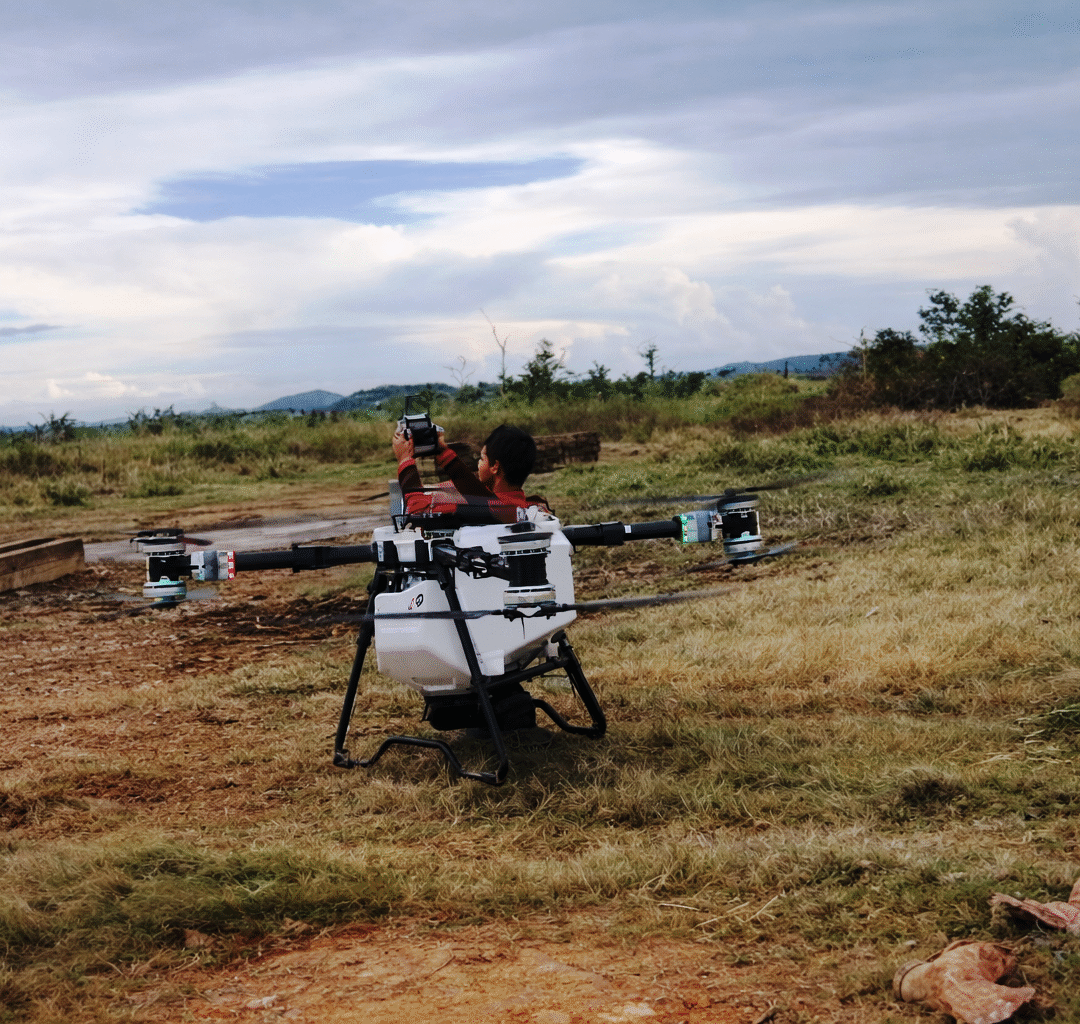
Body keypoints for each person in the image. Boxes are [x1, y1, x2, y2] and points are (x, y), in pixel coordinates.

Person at [392, 423, 541, 523]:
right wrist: (442, 452)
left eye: (482, 458)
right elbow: (473, 490)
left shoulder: (492, 510)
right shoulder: (522, 505)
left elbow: (417, 510)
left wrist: (405, 460)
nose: (478, 463)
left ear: (495, 466)